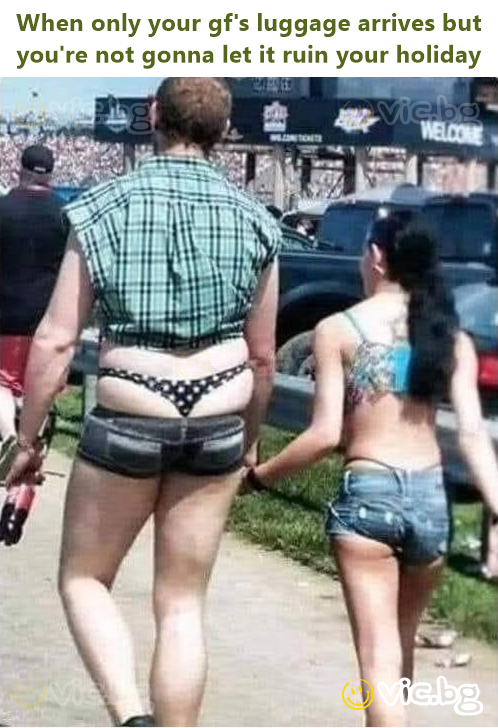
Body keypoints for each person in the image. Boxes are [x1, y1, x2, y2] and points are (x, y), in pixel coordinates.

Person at [6, 77, 280, 728]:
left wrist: (28, 440)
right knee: (182, 602)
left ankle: (132, 717)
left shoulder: (102, 207)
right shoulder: (256, 219)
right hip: (218, 412)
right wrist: (249, 440)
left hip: (132, 408)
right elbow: (264, 357)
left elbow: (56, 339)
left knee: (84, 579)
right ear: (223, 130)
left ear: (153, 114)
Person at [244, 210, 498, 728]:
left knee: (377, 659)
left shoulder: (339, 329)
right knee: (400, 647)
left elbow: (323, 435)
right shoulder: (450, 337)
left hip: (370, 494)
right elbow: (472, 435)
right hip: (430, 502)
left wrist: (258, 477)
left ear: (377, 257)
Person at [0, 145, 67, 476]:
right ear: (50, 175)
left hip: (5, 316)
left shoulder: (2, 208)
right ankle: (31, 448)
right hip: (48, 319)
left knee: (1, 383)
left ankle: (9, 438)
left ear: (20, 170)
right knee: (40, 385)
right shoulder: (64, 213)